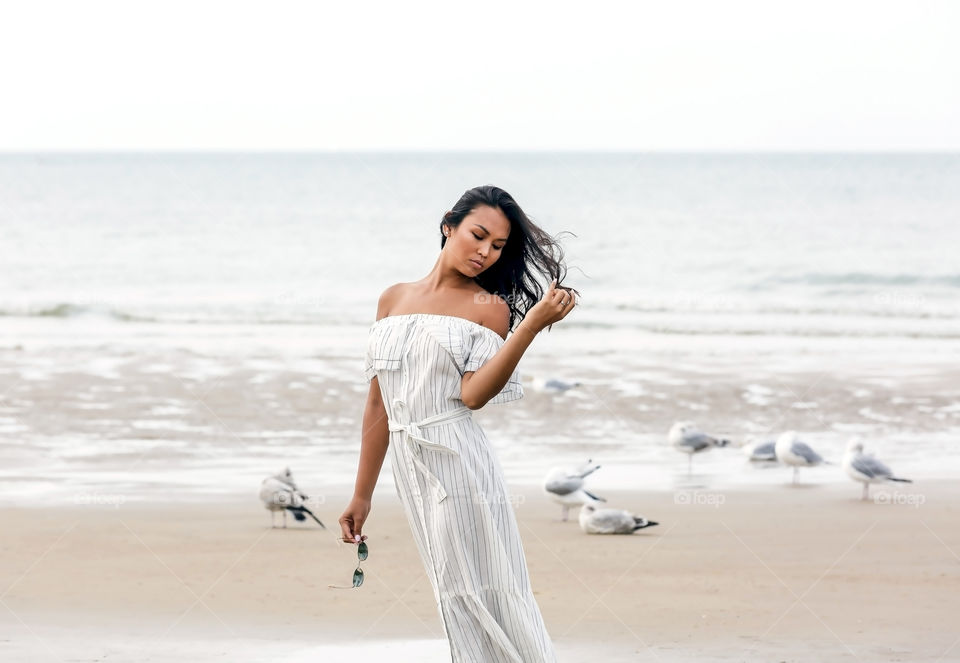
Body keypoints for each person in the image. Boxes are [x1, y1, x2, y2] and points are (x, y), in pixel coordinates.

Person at [339, 184, 579, 662]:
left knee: (482, 587)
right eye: (479, 235)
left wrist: (528, 327)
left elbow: (473, 396)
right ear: (449, 225)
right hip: (410, 465)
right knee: (451, 588)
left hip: (458, 461)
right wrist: (362, 495)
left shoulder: (490, 308)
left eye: (498, 246)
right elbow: (378, 404)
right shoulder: (392, 298)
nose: (486, 252)